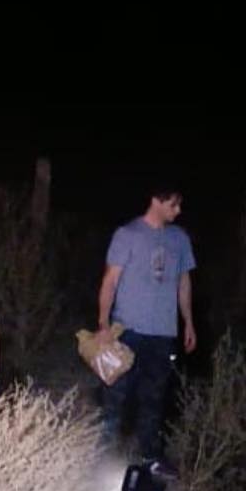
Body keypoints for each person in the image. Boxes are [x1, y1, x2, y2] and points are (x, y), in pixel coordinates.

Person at [96, 185, 197, 473]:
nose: (178, 210)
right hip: (127, 330)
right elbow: (110, 281)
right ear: (156, 200)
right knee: (115, 395)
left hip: (163, 333)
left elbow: (184, 282)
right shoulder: (127, 234)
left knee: (154, 398)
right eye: (173, 204)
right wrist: (103, 323)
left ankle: (150, 456)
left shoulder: (179, 239)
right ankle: (103, 459)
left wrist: (188, 322)